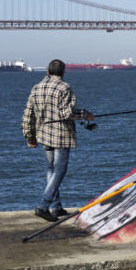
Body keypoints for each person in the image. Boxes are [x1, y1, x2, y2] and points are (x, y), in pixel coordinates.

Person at [21, 59, 94, 221]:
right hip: (61, 136)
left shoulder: (36, 88)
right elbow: (66, 113)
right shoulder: (64, 87)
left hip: (44, 135)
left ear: (47, 71)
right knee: (59, 170)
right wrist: (85, 114)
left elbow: (28, 114)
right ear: (63, 72)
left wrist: (29, 136)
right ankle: (43, 206)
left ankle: (56, 207)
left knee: (51, 170)